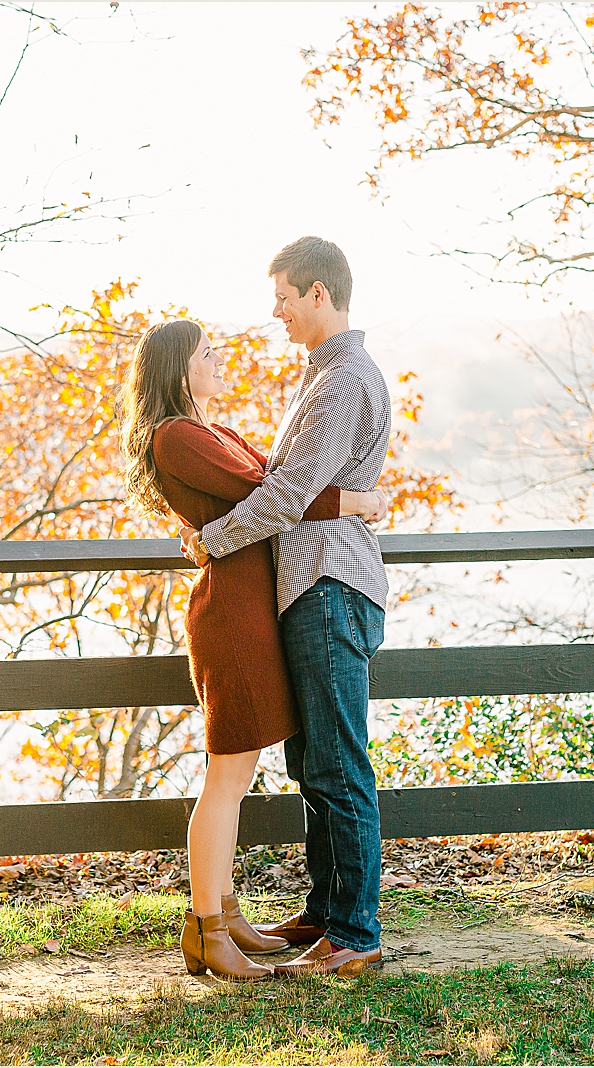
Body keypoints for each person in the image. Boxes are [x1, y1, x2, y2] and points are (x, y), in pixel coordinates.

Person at [119, 318, 387, 981]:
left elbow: (274, 484)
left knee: (237, 775)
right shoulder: (175, 436)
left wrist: (315, 499)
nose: (219, 359)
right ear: (180, 369)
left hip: (255, 612)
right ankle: (208, 930)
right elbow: (273, 498)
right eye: (208, 353)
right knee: (227, 778)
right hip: (232, 620)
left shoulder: (216, 432)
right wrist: (356, 498)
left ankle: (225, 915)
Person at [181, 236, 392, 978]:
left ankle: (354, 933)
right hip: (312, 586)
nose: (274, 312)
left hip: (331, 585)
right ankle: (326, 911)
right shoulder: (323, 378)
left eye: (283, 298)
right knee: (314, 762)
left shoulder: (342, 382)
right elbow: (292, 484)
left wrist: (212, 540)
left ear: (319, 296)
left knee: (338, 766)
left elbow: (284, 494)